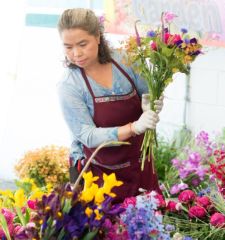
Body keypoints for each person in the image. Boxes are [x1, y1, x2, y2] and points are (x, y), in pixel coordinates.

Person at [57, 8, 164, 203]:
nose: (76, 53)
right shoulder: (69, 85)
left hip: (140, 166)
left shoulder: (126, 60)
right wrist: (134, 128)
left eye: (82, 44)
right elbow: (87, 135)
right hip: (99, 175)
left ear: (98, 36)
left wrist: (153, 104)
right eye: (68, 47)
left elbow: (147, 94)